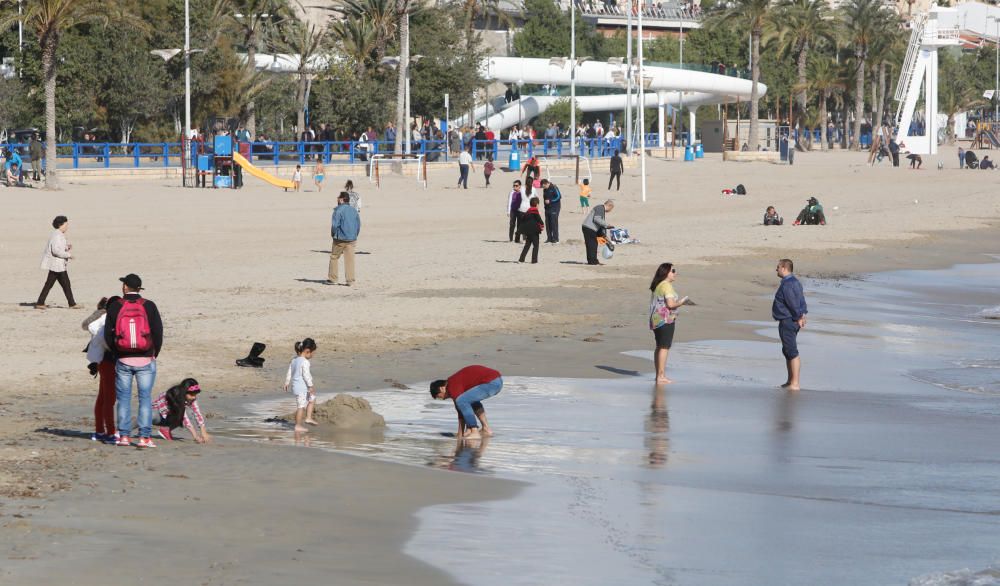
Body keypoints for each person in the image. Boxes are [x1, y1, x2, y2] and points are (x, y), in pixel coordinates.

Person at [105, 273, 164, 448]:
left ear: (125, 287)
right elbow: (158, 333)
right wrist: (153, 353)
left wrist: (117, 353)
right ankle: (144, 437)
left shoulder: (115, 306)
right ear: (139, 288)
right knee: (144, 398)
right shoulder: (149, 306)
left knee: (123, 398)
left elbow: (108, 335)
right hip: (146, 359)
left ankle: (124, 436)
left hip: (123, 359)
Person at [429, 365, 503, 440]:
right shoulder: (453, 384)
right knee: (470, 401)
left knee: (462, 401)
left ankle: (475, 432)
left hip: (491, 383)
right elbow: (462, 410)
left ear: (442, 388)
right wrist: (462, 433)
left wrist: (460, 434)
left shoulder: (452, 385)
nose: (443, 399)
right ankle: (486, 429)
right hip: (496, 380)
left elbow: (460, 410)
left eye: (440, 396)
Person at [84, 296, 120, 443]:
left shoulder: (100, 320)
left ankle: (100, 430)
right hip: (108, 361)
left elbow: (87, 325)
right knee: (109, 399)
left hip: (102, 361)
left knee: (103, 398)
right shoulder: (106, 320)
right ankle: (110, 433)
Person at [649, 263, 689, 384]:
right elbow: (670, 304)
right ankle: (661, 376)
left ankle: (659, 375)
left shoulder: (659, 285)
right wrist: (682, 302)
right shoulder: (666, 286)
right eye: (673, 270)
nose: (675, 273)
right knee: (664, 347)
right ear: (666, 272)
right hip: (665, 320)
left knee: (660, 346)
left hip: (656, 319)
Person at [773, 259, 807, 391]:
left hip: (788, 320)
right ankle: (790, 381)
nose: (776, 270)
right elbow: (801, 300)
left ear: (784, 268)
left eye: (777, 267)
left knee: (792, 351)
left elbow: (793, 302)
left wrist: (799, 316)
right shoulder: (795, 282)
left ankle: (795, 383)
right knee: (787, 351)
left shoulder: (787, 284)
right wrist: (803, 314)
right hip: (791, 319)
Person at [35, 215, 82, 309]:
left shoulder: (58, 234)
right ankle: (72, 304)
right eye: (66, 224)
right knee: (65, 284)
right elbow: (55, 251)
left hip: (57, 265)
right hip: (57, 265)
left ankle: (40, 302)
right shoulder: (57, 235)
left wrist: (66, 248)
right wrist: (68, 255)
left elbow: (58, 248)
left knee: (52, 284)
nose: (67, 226)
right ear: (61, 225)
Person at [152, 378, 212, 443]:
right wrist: (196, 436)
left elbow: (197, 413)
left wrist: (203, 431)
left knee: (178, 417)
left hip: (167, 417)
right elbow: (184, 418)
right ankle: (143, 426)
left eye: (195, 395)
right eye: (192, 395)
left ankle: (165, 430)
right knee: (179, 415)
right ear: (184, 392)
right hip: (156, 415)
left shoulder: (191, 398)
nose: (194, 397)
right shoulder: (176, 396)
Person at [284, 339, 318, 432]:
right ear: (307, 351)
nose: (312, 355)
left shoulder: (294, 360)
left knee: (312, 398)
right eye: (312, 353)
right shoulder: (305, 362)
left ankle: (308, 417)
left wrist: (287, 382)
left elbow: (289, 371)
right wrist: (310, 386)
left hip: (296, 386)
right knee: (301, 406)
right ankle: (298, 425)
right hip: (302, 388)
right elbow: (306, 375)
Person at [328, 191, 361, 286]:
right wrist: (355, 235)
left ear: (342, 199)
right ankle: (350, 280)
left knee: (334, 257)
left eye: (338, 198)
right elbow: (358, 225)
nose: (337, 199)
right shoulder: (354, 210)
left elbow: (334, 225)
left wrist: (333, 235)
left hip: (340, 238)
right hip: (351, 238)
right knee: (350, 260)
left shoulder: (338, 210)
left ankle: (333, 279)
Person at [582, 199, 614, 265]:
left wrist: (606, 237)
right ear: (609, 206)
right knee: (592, 244)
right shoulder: (600, 208)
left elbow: (600, 226)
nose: (610, 211)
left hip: (590, 228)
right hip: (589, 228)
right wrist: (607, 225)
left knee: (593, 244)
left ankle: (593, 261)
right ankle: (592, 261)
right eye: (611, 209)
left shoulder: (601, 209)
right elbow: (597, 219)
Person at [518, 196, 544, 264]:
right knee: (536, 245)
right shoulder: (535, 211)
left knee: (527, 245)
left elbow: (523, 220)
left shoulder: (528, 212)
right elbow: (539, 220)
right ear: (537, 205)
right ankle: (534, 260)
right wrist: (542, 225)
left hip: (528, 232)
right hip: (534, 231)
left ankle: (521, 259)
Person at [540, 179, 561, 243]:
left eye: (544, 186)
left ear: (546, 184)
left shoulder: (554, 187)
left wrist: (550, 201)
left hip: (555, 208)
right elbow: (545, 199)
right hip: (547, 208)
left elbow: (559, 196)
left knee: (553, 223)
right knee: (548, 223)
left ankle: (555, 239)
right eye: (542, 187)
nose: (543, 188)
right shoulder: (545, 189)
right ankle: (549, 238)